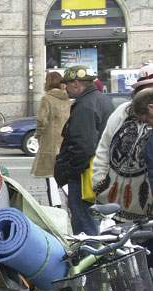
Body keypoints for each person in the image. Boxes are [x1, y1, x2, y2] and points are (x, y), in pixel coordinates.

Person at [53, 65, 114, 235]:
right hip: (98, 172)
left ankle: (90, 257)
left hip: (84, 176)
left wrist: (69, 172)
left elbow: (83, 146)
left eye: (66, 84)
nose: (65, 88)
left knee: (84, 224)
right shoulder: (101, 100)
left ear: (76, 84)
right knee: (94, 220)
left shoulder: (85, 106)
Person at [92, 67, 153, 220]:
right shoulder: (122, 111)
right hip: (111, 204)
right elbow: (104, 148)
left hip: (145, 211)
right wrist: (99, 183)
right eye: (143, 89)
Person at [32, 71, 71, 204]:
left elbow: (41, 120)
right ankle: (71, 201)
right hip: (65, 141)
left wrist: (37, 135)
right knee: (64, 176)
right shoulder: (68, 99)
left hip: (50, 142)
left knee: (50, 176)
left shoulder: (47, 99)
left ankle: (55, 205)